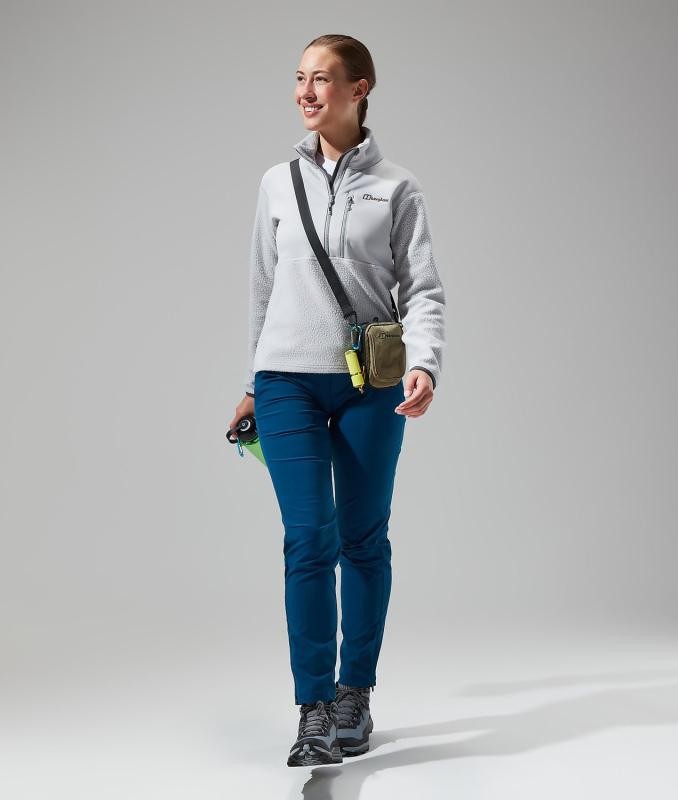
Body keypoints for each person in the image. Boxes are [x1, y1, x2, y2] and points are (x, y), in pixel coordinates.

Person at [228, 34, 447, 767]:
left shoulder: (397, 187)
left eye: (322, 79)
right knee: (307, 537)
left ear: (360, 89)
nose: (306, 91)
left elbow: (423, 290)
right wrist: (253, 382)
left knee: (362, 539)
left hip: (371, 387)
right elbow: (263, 289)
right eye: (299, 78)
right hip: (286, 380)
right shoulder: (276, 183)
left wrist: (425, 364)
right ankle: (314, 709)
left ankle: (356, 691)